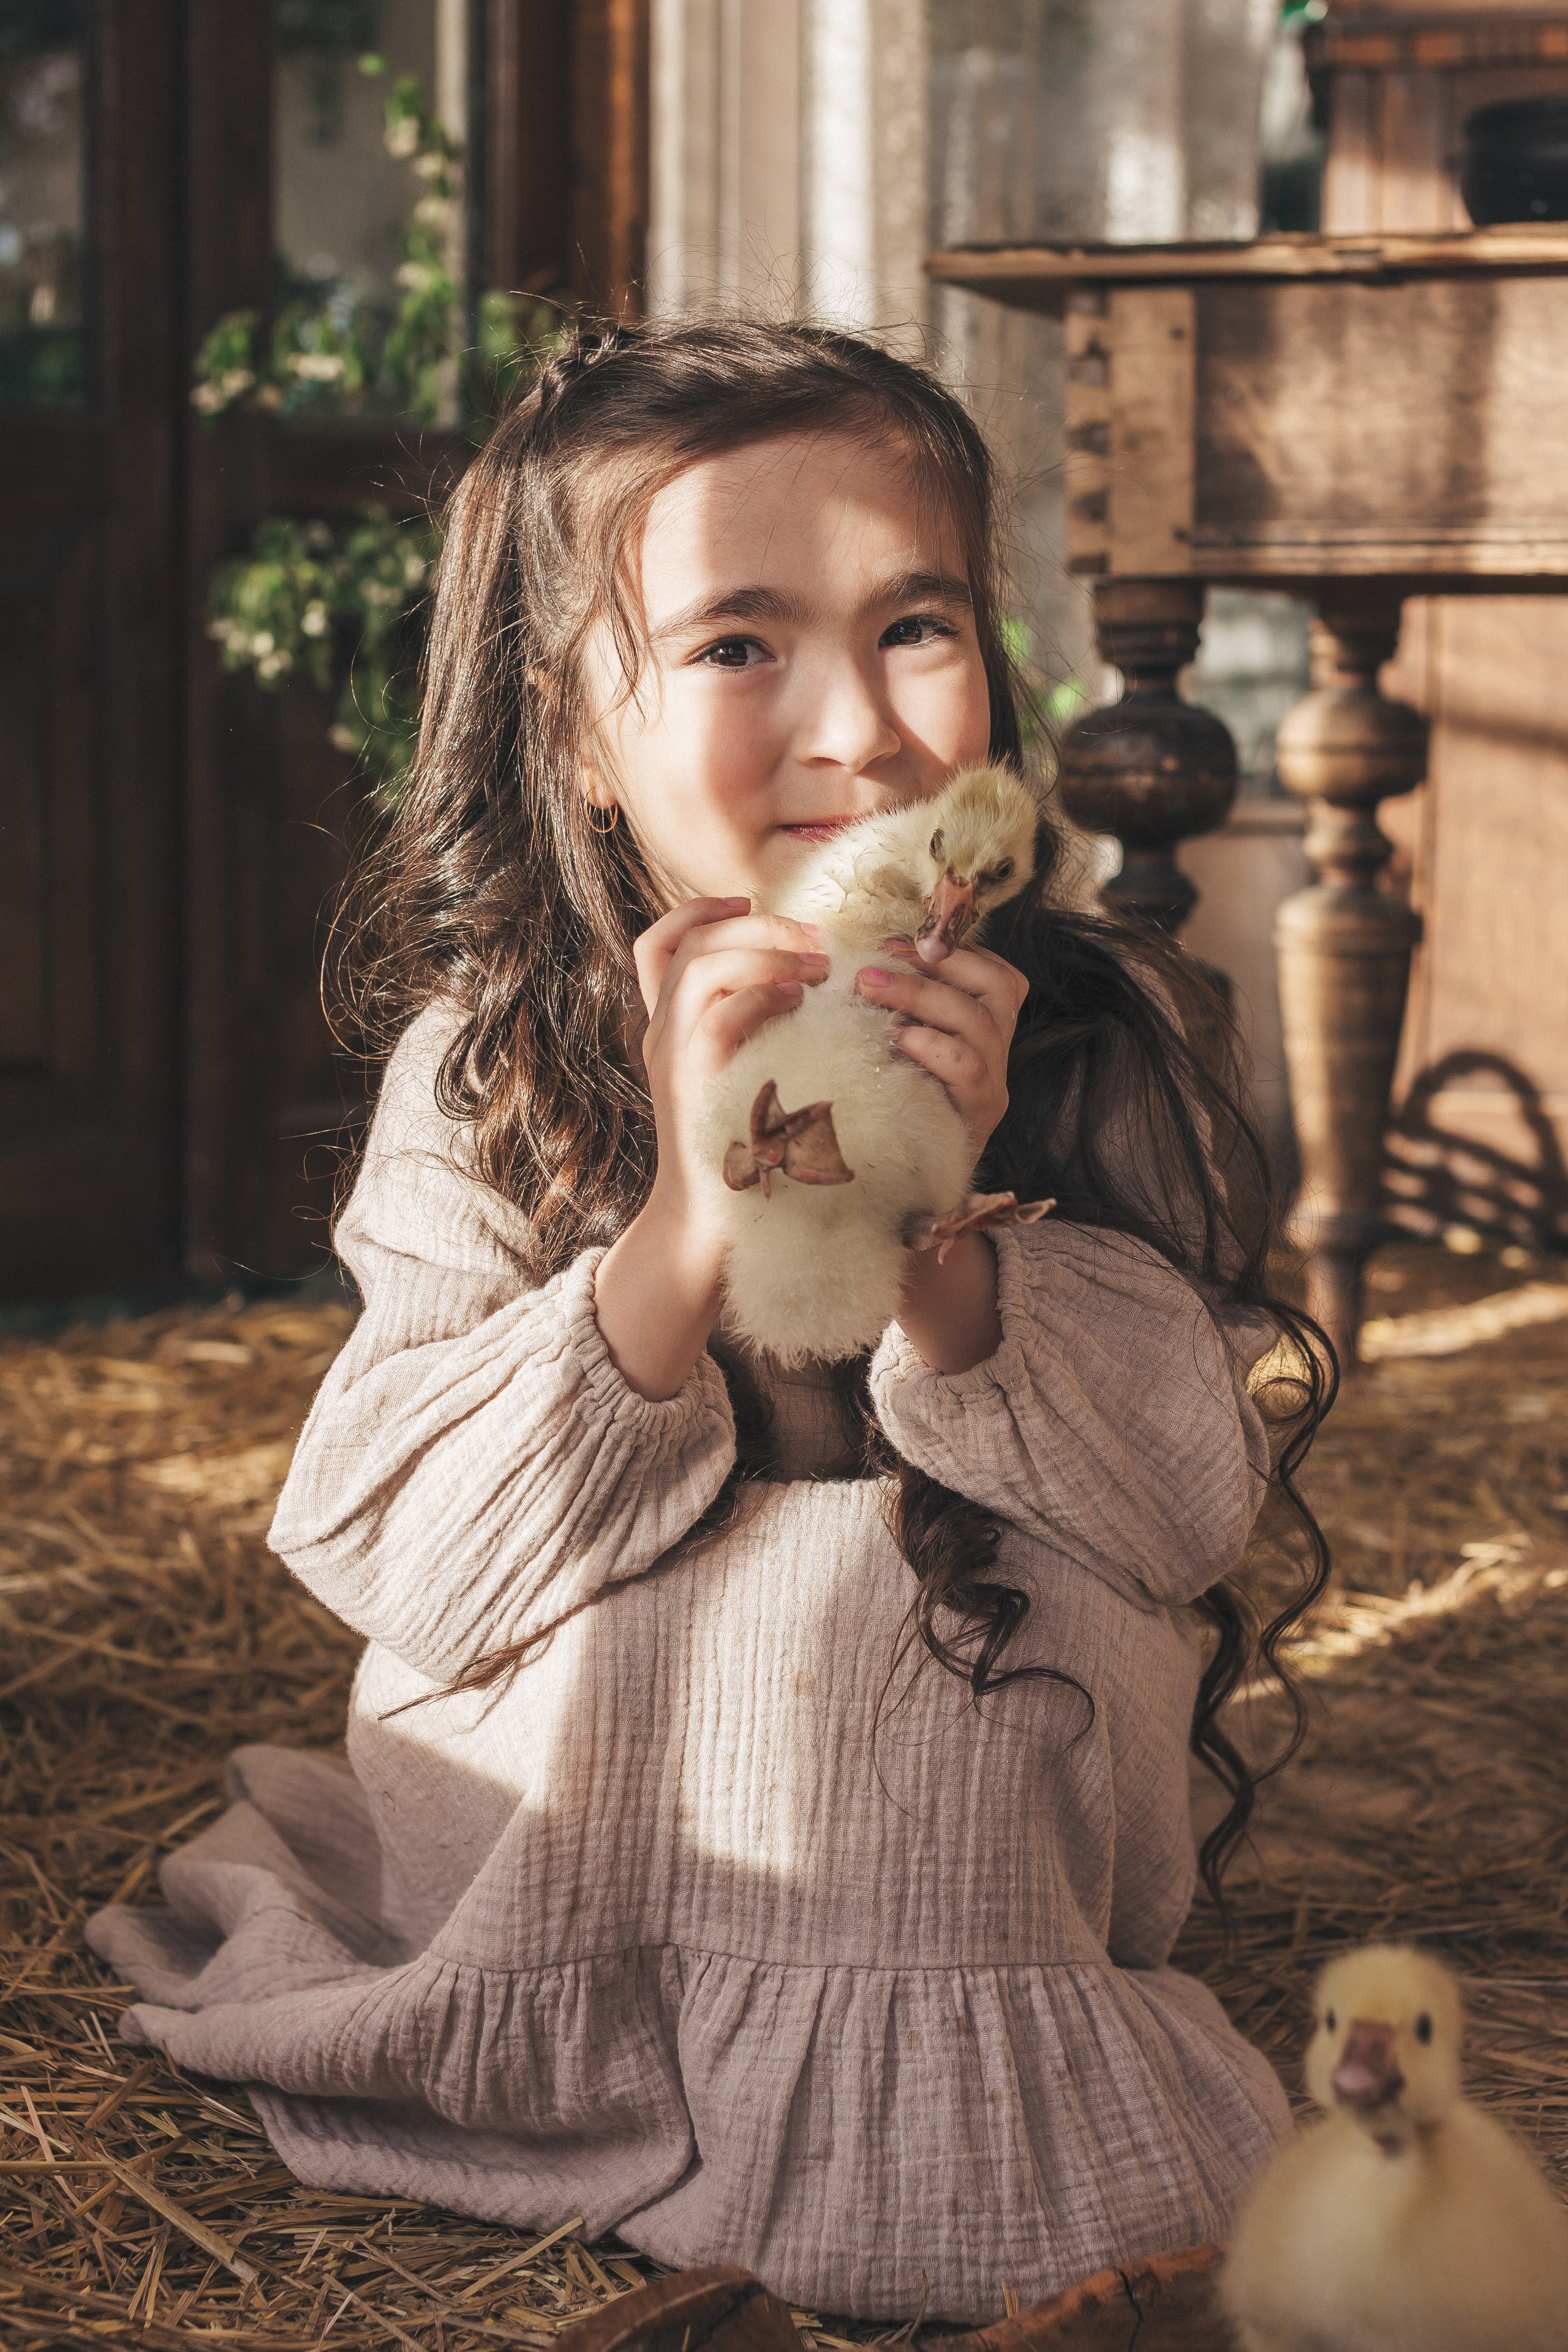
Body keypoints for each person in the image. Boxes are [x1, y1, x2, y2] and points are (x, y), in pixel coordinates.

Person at [88, 320, 1330, 2324]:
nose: (861, 733)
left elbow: (1177, 1517)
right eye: (741, 646)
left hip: (982, 1759)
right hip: (612, 1783)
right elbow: (414, 1561)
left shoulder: (1117, 1044)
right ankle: (679, 2086)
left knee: (920, 1644)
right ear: (580, 738)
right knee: (793, 1628)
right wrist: (679, 1221)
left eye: (915, 623)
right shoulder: (484, 1072)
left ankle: (922, 2118)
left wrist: (945, 1241)